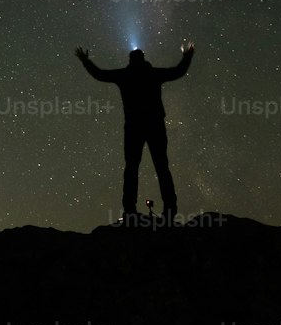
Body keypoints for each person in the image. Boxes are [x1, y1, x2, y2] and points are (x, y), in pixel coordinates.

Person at [75, 42, 195, 224]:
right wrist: (187, 57)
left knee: (132, 168)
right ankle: (169, 211)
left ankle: (130, 210)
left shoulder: (125, 75)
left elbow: (100, 74)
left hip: (134, 127)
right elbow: (178, 71)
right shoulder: (152, 74)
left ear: (131, 60)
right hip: (154, 125)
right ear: (143, 59)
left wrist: (85, 61)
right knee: (161, 167)